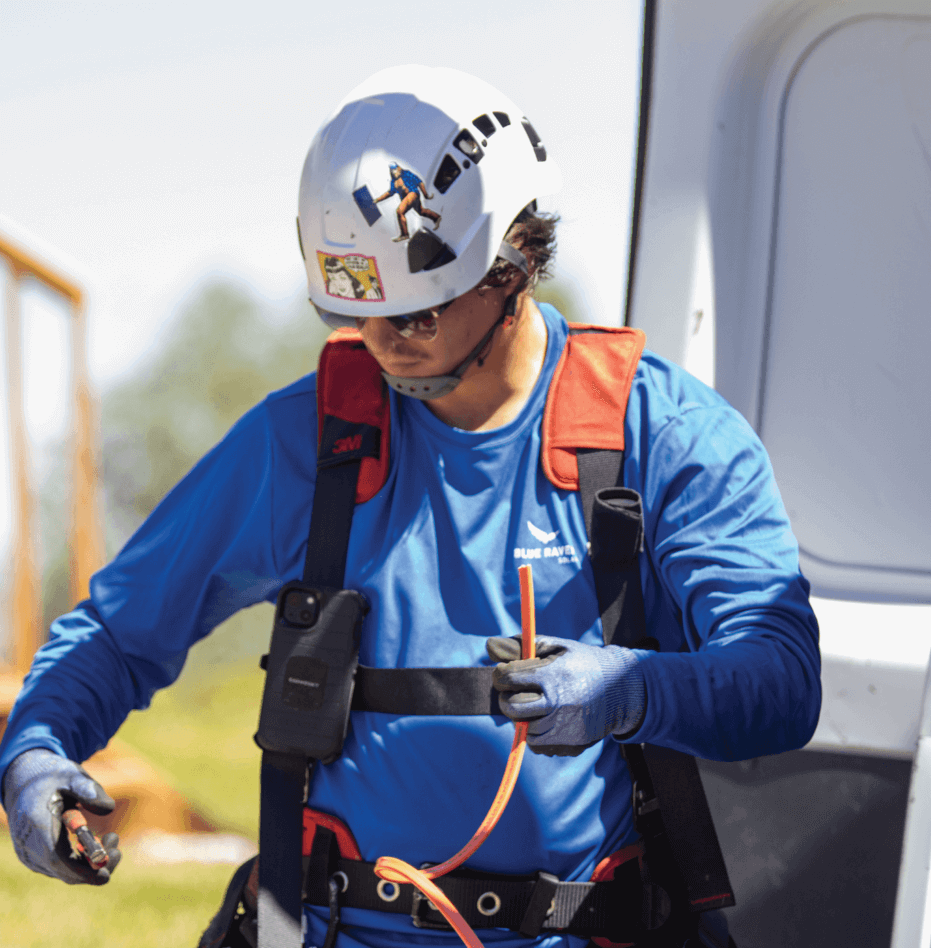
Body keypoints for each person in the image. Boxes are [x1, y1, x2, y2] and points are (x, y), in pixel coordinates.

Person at [0, 65, 821, 948]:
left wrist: (633, 692)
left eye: (418, 317)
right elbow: (123, 629)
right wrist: (38, 747)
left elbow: (781, 680)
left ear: (515, 263)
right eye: (353, 315)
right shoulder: (308, 441)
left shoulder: (661, 433)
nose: (383, 346)